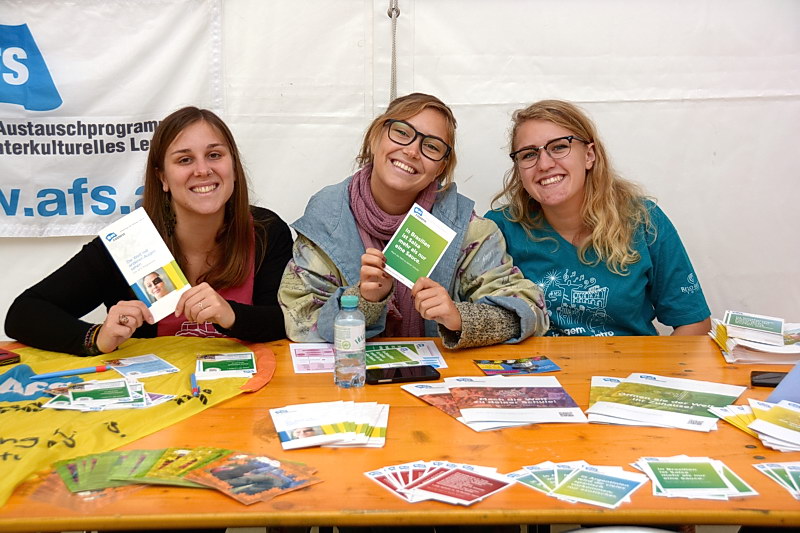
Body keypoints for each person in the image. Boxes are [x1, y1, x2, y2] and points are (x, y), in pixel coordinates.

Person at [5, 107, 292, 355]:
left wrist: (231, 315)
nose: (203, 170)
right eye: (184, 159)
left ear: (234, 167)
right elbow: (23, 313)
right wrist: (98, 337)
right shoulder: (128, 242)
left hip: (252, 391)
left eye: (214, 155)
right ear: (162, 177)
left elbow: (289, 321)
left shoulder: (266, 231)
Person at [279, 93, 548, 349]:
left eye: (431, 146)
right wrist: (364, 301)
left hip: (442, 375)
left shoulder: (469, 230)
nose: (412, 151)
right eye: (402, 133)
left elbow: (529, 312)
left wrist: (459, 318)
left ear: (441, 167)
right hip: (352, 373)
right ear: (375, 137)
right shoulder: (328, 219)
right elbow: (299, 321)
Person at [486, 99, 711, 337]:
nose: (544, 164)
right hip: (536, 363)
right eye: (529, 154)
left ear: (589, 155)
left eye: (559, 147)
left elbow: (694, 323)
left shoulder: (644, 220)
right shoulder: (499, 229)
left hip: (629, 361)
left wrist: (650, 364)